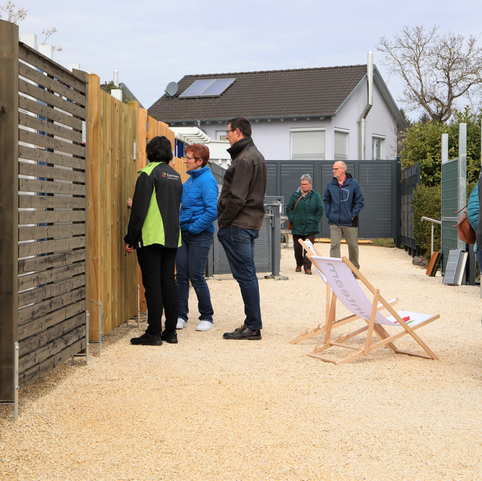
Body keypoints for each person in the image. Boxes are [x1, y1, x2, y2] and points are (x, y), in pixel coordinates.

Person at [124, 136, 182, 346]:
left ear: (150, 152)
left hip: (151, 237)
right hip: (172, 237)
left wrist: (130, 238)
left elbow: (140, 211)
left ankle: (153, 333)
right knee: (169, 282)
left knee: (152, 284)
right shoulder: (176, 176)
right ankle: (171, 332)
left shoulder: (148, 174)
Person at [217, 117, 267, 340]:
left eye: (228, 132)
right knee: (248, 275)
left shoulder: (245, 158)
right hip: (247, 224)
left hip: (238, 225)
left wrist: (223, 221)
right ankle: (252, 324)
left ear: (237, 132)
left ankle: (253, 326)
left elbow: (237, 198)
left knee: (246, 276)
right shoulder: (254, 155)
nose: (226, 136)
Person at [176, 144, 218, 332]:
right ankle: (181, 316)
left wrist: (193, 229)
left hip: (199, 235)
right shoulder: (190, 180)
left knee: (196, 275)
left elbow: (212, 211)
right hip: (184, 233)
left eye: (188, 158)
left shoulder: (207, 181)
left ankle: (207, 317)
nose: (185, 160)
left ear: (199, 161)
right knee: (181, 276)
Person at [323, 161, 364, 270]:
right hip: (334, 221)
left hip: (350, 221)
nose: (334, 171)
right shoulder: (331, 184)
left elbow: (360, 201)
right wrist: (329, 214)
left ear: (343, 169)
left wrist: (352, 215)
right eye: (333, 169)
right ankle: (336, 270)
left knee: (353, 246)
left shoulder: (353, 183)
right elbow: (326, 200)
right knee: (334, 246)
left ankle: (354, 269)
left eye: (336, 169)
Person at [286, 174, 323, 275]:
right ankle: (299, 263)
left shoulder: (316, 195)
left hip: (310, 226)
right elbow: (289, 208)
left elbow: (320, 209)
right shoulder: (295, 195)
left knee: (308, 248)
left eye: (306, 184)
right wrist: (292, 219)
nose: (304, 186)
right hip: (297, 226)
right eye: (302, 184)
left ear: (310, 184)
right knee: (297, 248)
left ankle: (307, 267)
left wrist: (314, 220)